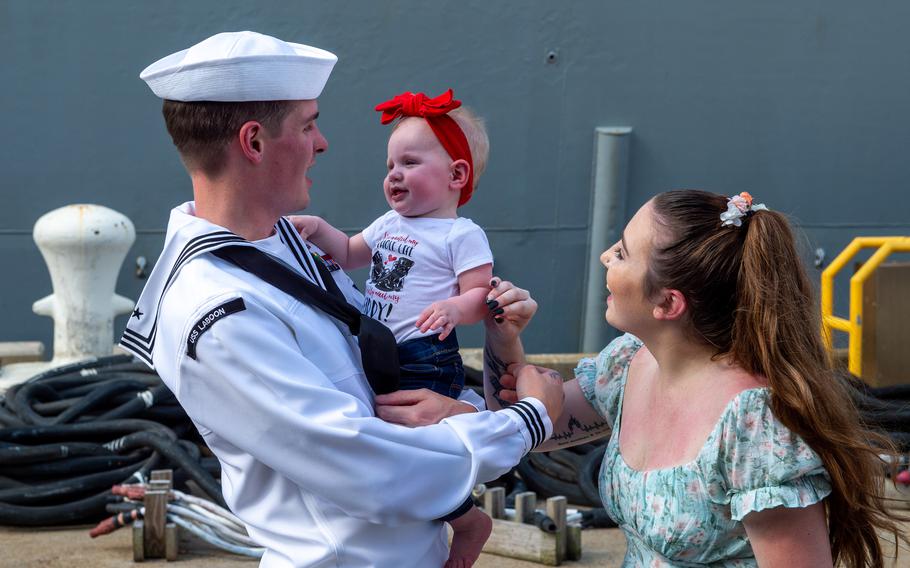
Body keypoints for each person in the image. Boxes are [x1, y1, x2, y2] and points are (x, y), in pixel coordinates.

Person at [120, 31, 565, 568]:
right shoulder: (219, 313)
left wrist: (485, 362)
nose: (323, 142)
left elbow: (374, 386)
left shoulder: (279, 246)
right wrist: (527, 421)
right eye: (308, 125)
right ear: (254, 143)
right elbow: (367, 466)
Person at [477, 190, 907, 566]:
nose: (606, 256)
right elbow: (525, 431)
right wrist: (503, 337)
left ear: (667, 303)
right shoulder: (630, 362)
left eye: (623, 253)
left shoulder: (753, 426)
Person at [290, 89, 496, 566]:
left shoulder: (459, 235)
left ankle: (466, 521)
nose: (394, 175)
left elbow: (480, 295)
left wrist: (454, 308)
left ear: (456, 175)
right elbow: (347, 252)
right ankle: (417, 519)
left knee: (415, 446)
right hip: (378, 350)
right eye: (389, 166)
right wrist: (317, 229)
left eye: (409, 162)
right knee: (384, 439)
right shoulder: (387, 224)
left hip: (425, 355)